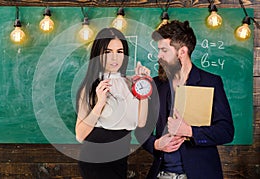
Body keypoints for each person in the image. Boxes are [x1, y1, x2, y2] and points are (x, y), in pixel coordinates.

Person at [135, 20, 234, 179]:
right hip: (161, 174)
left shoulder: (210, 82)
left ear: (182, 52)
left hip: (200, 174)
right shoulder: (155, 84)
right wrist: (155, 144)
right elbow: (140, 130)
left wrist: (189, 131)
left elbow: (226, 132)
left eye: (164, 50)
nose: (159, 55)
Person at [75, 27, 151, 179]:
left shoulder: (130, 82)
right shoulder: (90, 86)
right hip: (94, 159)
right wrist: (99, 104)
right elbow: (80, 135)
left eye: (120, 51)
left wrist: (143, 84)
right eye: (108, 52)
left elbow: (141, 122)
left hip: (120, 158)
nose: (114, 58)